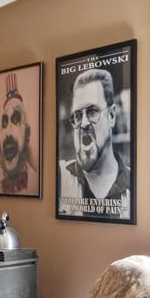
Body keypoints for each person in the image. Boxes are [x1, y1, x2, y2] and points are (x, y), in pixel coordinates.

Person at [58, 67, 130, 217]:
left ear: (111, 116)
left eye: (92, 111)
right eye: (77, 116)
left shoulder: (133, 184)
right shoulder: (61, 177)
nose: (84, 123)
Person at [0, 73, 38, 194]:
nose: (8, 132)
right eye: (4, 122)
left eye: (16, 119)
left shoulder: (35, 179)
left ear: (27, 133)